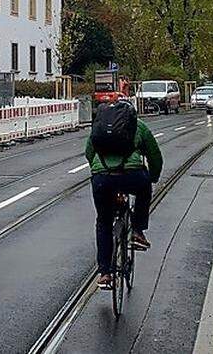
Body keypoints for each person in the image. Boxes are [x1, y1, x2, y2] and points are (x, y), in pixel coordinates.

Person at [87, 99, 163, 291]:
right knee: (144, 189)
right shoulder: (139, 126)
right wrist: (152, 178)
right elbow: (155, 157)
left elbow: (89, 152)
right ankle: (137, 231)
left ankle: (105, 273)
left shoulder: (100, 126)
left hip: (102, 178)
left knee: (104, 222)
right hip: (132, 176)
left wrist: (98, 172)